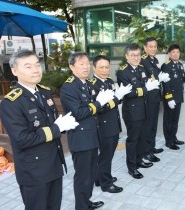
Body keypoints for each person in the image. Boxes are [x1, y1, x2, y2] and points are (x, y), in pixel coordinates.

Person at [0, 50, 78, 210]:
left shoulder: (44, 93)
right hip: (34, 172)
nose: (35, 69)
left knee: (54, 206)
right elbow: (22, 139)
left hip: (54, 164)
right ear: (15, 71)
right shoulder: (11, 102)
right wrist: (57, 128)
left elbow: (54, 124)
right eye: (28, 66)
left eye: (37, 65)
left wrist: (62, 126)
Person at [60, 52, 114, 210]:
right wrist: (98, 103)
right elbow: (79, 113)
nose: (85, 67)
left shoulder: (88, 84)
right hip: (81, 139)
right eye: (81, 64)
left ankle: (86, 201)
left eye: (87, 63)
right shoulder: (69, 87)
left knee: (90, 174)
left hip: (92, 136)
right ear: (72, 66)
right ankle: (81, 206)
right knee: (83, 176)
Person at [117, 43, 160, 179]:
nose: (136, 58)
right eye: (132, 55)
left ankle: (139, 160)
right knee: (133, 140)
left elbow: (147, 82)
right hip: (133, 112)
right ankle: (132, 167)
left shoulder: (142, 68)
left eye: (138, 55)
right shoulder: (123, 72)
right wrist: (146, 89)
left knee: (142, 137)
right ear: (127, 56)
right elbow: (129, 93)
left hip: (145, 109)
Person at [91, 55, 131, 193]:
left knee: (107, 154)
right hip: (104, 126)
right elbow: (101, 108)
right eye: (101, 67)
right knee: (106, 156)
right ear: (94, 67)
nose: (104, 70)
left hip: (113, 123)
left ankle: (99, 177)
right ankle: (106, 184)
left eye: (107, 67)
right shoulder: (93, 85)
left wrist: (116, 98)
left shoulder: (108, 81)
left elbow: (113, 103)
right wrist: (117, 97)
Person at [161, 44, 185, 150]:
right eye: (173, 52)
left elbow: (182, 79)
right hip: (170, 98)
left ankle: (174, 138)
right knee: (168, 120)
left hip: (178, 96)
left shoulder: (179, 65)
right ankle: (168, 142)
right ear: (169, 53)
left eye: (177, 52)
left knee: (175, 120)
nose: (175, 54)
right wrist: (169, 98)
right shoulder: (166, 65)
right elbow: (166, 84)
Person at [140, 37, 170, 157]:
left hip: (156, 97)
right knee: (148, 126)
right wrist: (159, 79)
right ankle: (146, 151)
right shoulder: (143, 61)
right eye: (150, 47)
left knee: (153, 125)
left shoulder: (155, 59)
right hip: (148, 97)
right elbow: (145, 79)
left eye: (155, 46)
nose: (153, 49)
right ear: (145, 48)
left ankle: (151, 147)